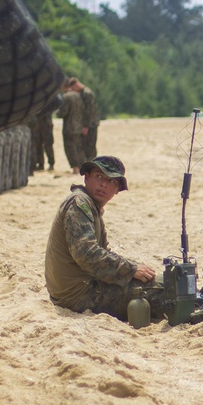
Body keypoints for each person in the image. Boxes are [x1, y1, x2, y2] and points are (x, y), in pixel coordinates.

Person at [44, 156, 163, 319]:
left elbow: (103, 252)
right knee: (163, 292)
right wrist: (131, 269)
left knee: (157, 281)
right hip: (78, 296)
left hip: (78, 289)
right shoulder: (80, 203)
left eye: (111, 181)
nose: (104, 185)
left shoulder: (91, 207)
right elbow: (87, 254)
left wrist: (132, 267)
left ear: (116, 190)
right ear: (86, 178)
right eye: (99, 177)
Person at [67, 77, 100, 161]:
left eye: (73, 88)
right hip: (88, 124)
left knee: (90, 146)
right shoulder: (82, 93)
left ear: (76, 84)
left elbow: (89, 111)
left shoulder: (86, 93)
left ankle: (92, 165)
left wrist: (86, 126)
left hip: (90, 125)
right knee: (85, 146)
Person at [56, 80, 85, 172]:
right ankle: (82, 167)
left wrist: (57, 113)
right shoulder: (78, 96)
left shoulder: (66, 97)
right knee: (78, 147)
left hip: (69, 127)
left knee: (70, 148)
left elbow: (63, 113)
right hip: (79, 126)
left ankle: (75, 168)